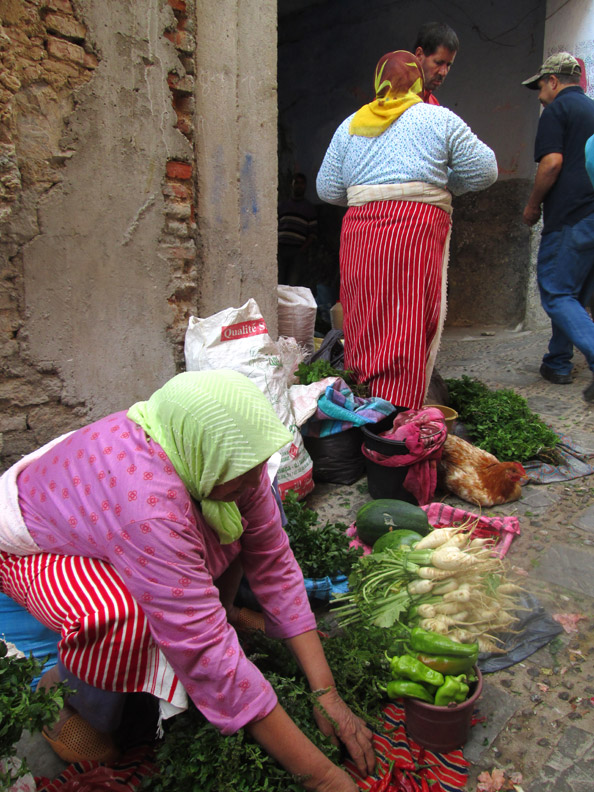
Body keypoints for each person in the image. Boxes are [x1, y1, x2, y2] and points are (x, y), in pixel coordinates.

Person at [0, 370, 374, 792]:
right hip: (30, 547)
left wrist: (326, 694)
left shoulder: (207, 453)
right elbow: (203, 647)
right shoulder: (149, 508)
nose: (253, 481)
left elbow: (273, 563)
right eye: (241, 472)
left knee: (244, 511)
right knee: (122, 616)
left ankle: (227, 611)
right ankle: (65, 700)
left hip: (102, 509)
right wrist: (323, 778)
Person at [316, 50, 497, 411]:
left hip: (361, 233)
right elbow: (485, 170)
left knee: (363, 316)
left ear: (378, 83)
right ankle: (402, 410)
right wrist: (440, 187)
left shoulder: (350, 125)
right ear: (417, 82)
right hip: (415, 230)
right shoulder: (438, 119)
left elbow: (327, 190)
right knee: (408, 316)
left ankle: (365, 401)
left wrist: (370, 193)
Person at [521, 53, 594, 402]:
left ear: (553, 81)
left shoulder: (556, 112)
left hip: (571, 216)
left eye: (540, 86)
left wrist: (533, 205)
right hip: (592, 215)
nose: (538, 94)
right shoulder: (593, 109)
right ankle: (558, 362)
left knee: (556, 291)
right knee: (576, 294)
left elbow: (551, 164)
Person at [278, 172, 318, 286]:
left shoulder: (309, 209)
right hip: (281, 249)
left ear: (305, 186)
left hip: (297, 251)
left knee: (293, 284)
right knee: (279, 282)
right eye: (296, 183)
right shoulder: (282, 206)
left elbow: (312, 234)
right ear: (292, 185)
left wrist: (302, 249)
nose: (299, 186)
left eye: (301, 183)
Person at [413, 21, 459, 105]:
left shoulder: (434, 104)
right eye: (438, 63)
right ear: (419, 55)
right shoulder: (393, 97)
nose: (443, 72)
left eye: (448, 65)